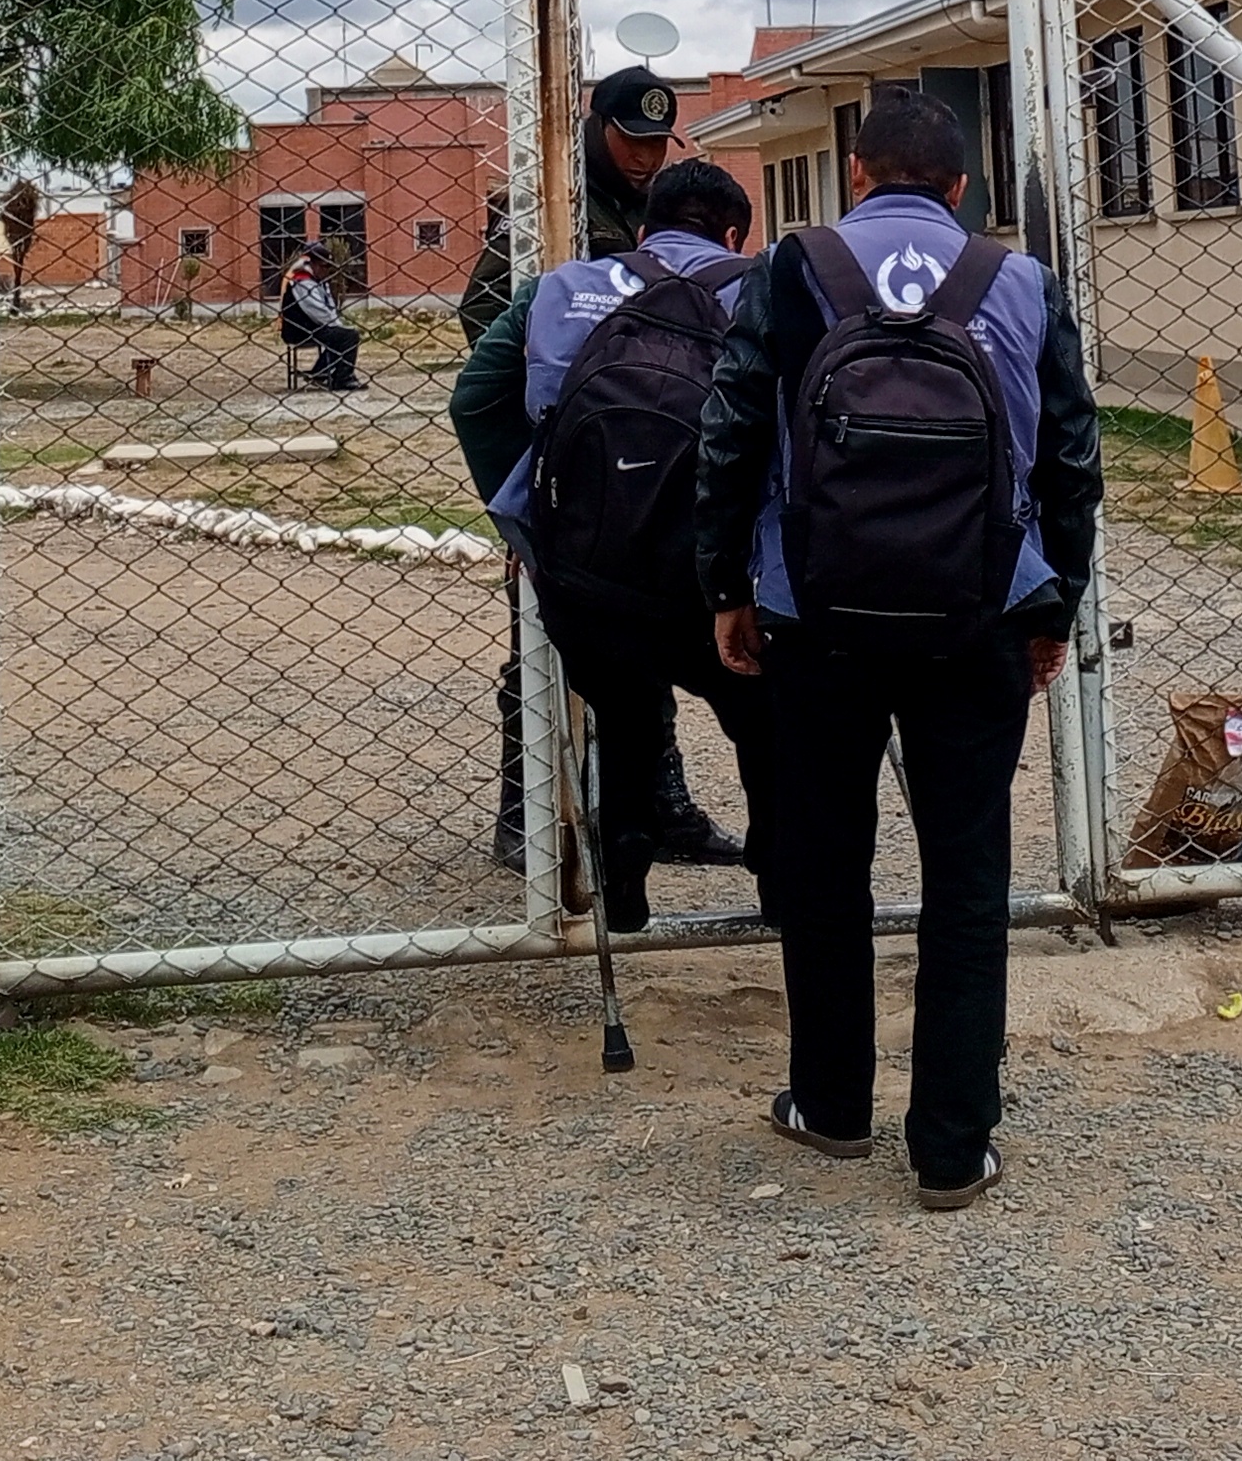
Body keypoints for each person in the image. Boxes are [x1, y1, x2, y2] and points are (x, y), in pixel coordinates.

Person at [691, 88, 1102, 1207]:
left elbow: (730, 430)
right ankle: (952, 1147)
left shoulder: (795, 267)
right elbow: (1070, 460)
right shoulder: (1020, 281)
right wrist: (1053, 608)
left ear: (856, 176)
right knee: (967, 870)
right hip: (980, 611)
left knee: (825, 857)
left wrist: (727, 585)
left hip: (817, 613)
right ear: (961, 189)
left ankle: (830, 1107)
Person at [452, 157, 776, 932]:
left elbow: (475, 400)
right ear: (735, 235)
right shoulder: (769, 292)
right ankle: (781, 874)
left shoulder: (558, 290)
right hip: (718, 582)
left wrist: (528, 528)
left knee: (624, 712)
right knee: (764, 717)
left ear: (642, 231)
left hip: (589, 579)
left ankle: (625, 857)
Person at [457, 65, 678, 336]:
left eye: (657, 142)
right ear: (598, 128)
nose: (645, 158)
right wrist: (535, 359)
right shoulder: (547, 196)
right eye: (632, 140)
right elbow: (482, 303)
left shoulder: (662, 204)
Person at [276, 242, 361, 393]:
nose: (326, 270)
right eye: (323, 266)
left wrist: (338, 325)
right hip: (299, 329)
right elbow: (316, 310)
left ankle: (322, 371)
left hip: (314, 326)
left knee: (343, 335)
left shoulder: (319, 281)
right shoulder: (302, 281)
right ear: (312, 264)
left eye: (328, 267)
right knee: (348, 336)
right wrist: (336, 326)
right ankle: (342, 378)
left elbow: (329, 308)